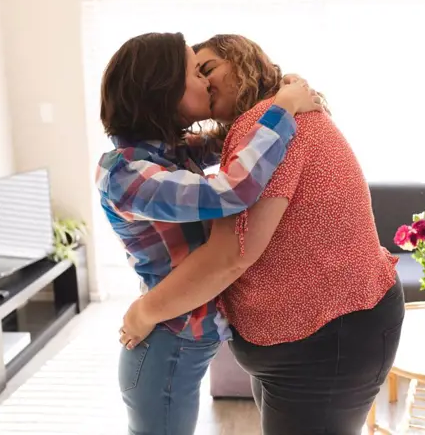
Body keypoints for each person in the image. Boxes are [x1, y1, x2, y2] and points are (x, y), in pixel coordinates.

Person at [120, 34, 405, 435]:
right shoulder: (264, 123)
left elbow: (231, 254)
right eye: (193, 76)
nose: (202, 83)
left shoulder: (266, 123)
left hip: (327, 338)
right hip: (318, 339)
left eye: (208, 69)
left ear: (241, 60)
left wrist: (144, 311)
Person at [96, 31, 322, 435]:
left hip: (180, 338)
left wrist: (278, 89)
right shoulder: (127, 173)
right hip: (166, 344)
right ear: (163, 88)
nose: (204, 82)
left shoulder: (169, 149)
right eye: (195, 72)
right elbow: (233, 189)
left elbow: (236, 141)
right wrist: (283, 109)